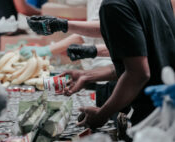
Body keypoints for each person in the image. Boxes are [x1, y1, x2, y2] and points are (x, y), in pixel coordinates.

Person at [27, 0, 175, 127]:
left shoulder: (113, 4)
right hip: (167, 106)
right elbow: (138, 49)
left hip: (151, 113)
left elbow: (138, 73)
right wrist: (88, 76)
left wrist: (102, 114)